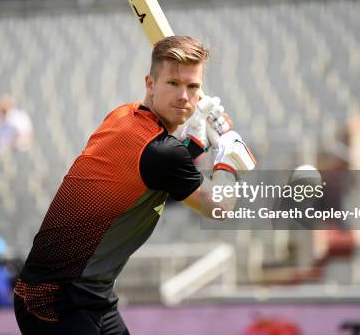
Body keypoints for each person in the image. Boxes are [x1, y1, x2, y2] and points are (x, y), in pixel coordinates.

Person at [13, 36, 255, 334]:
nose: (184, 96)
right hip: (54, 299)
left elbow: (158, 170)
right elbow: (219, 206)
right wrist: (230, 158)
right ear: (150, 84)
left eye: (193, 87)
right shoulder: (161, 151)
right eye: (173, 84)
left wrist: (194, 137)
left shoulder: (123, 115)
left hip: (89, 296)